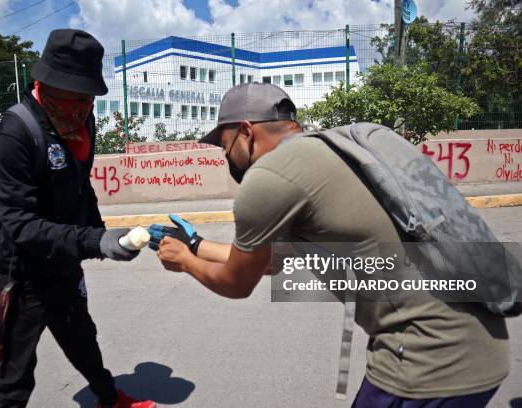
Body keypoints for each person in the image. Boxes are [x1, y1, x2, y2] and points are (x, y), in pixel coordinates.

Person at [150, 82, 509, 407]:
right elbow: (270, 262)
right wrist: (194, 243)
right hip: (479, 343)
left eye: (225, 146)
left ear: (246, 133)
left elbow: (237, 283)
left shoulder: (268, 177)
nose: (225, 157)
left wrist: (183, 261)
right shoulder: (335, 151)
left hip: (427, 359)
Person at [0, 29, 155, 408]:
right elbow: (19, 224)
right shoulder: (15, 133)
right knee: (14, 373)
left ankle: (110, 399)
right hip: (24, 273)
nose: (80, 111)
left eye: (88, 101)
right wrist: (93, 241)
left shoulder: (83, 123)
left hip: (64, 265)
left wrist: (102, 235)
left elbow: (81, 185)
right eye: (72, 100)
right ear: (44, 86)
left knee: (82, 336)